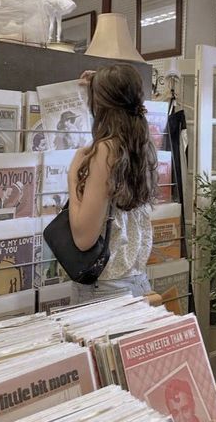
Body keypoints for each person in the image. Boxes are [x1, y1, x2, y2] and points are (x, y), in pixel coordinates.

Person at [67, 64, 158, 303]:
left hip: (103, 289)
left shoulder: (106, 151)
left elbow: (83, 238)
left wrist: (73, 176)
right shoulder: (142, 145)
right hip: (136, 281)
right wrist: (103, 83)